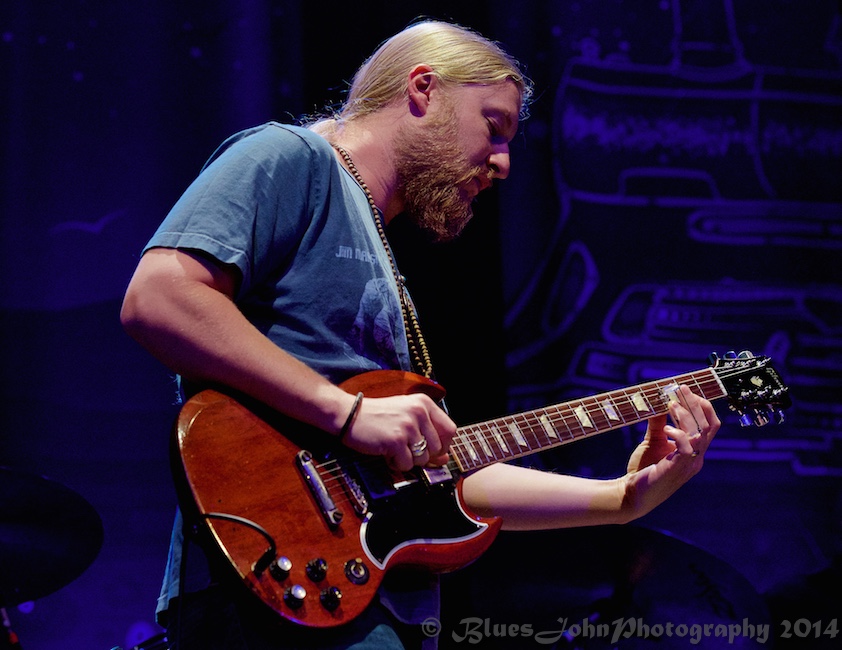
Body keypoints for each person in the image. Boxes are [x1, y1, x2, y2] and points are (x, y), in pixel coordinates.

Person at [120, 19, 720, 650]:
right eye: (494, 127)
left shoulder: (379, 249)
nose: (505, 163)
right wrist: (347, 413)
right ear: (424, 90)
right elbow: (159, 297)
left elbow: (440, 467)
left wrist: (623, 497)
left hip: (364, 601)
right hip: (271, 585)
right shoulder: (292, 158)